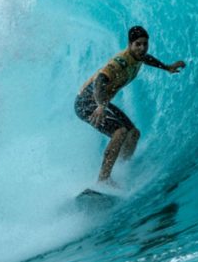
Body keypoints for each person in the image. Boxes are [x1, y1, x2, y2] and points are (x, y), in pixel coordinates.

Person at [74, 25, 186, 186]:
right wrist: (100, 106)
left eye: (145, 44)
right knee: (119, 132)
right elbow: (99, 81)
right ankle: (103, 180)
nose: (142, 48)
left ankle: (121, 169)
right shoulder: (119, 62)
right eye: (138, 44)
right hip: (86, 102)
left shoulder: (138, 57)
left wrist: (167, 67)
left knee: (133, 133)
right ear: (129, 44)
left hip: (101, 101)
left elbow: (146, 59)